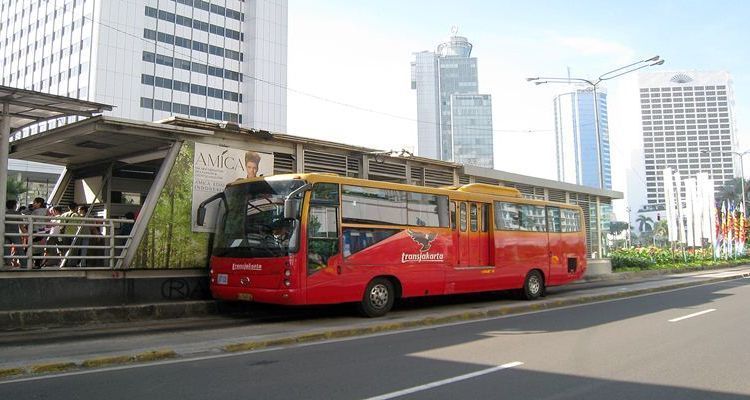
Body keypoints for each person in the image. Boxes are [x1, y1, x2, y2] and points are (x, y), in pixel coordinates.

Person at [4, 200, 25, 268]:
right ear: (14, 206)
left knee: (6, 249)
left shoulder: (4, 213)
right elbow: (21, 227)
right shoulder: (17, 214)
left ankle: (7, 263)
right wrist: (28, 233)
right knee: (20, 249)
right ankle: (24, 264)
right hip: (15, 234)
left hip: (5, 233)